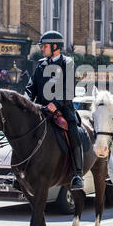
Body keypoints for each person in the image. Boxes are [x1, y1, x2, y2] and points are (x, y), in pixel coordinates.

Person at [25, 30, 84, 191]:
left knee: (73, 132)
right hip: (42, 109)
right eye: (42, 46)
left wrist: (56, 103)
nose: (42, 49)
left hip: (63, 109)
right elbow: (31, 87)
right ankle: (18, 172)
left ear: (55, 46)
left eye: (44, 46)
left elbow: (69, 89)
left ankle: (77, 174)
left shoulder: (68, 63)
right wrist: (27, 102)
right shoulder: (41, 64)